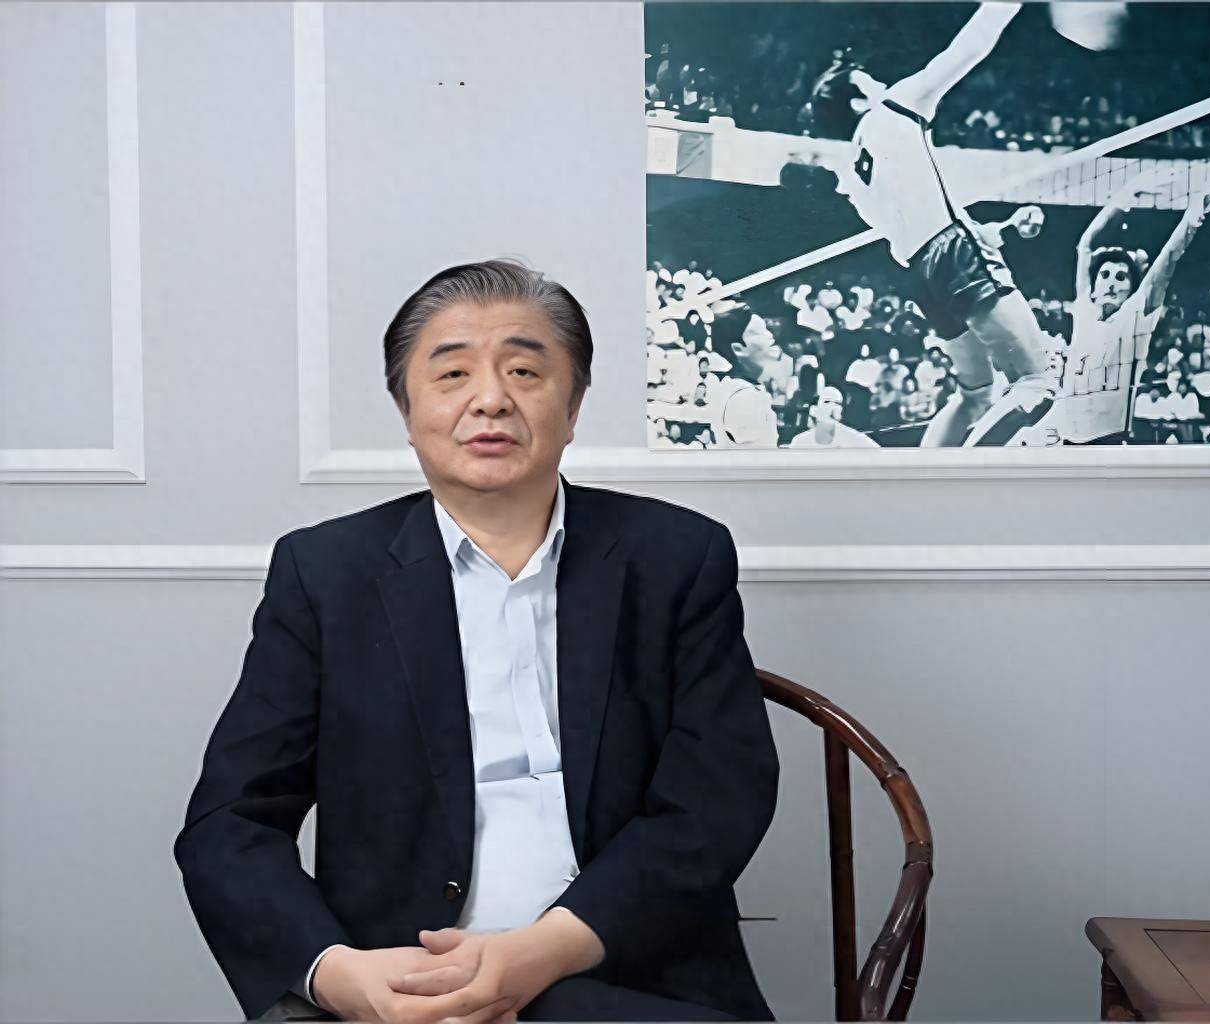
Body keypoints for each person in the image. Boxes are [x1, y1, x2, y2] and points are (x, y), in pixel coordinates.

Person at [174, 259, 779, 1024]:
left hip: (627, 973)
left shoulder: (676, 557)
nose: (490, 399)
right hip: (401, 982)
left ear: (574, 405)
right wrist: (339, 975)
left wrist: (543, 952)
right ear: (406, 410)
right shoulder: (325, 574)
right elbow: (230, 823)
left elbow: (717, 796)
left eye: (524, 371)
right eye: (452, 374)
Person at [808, 2, 1059, 447]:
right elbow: (968, 48)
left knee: (976, 395)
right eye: (866, 79)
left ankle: (923, 470)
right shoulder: (893, 107)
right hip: (953, 251)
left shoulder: (851, 174)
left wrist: (999, 229)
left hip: (920, 272)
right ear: (857, 99)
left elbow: (923, 228)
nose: (878, 80)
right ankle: (969, 469)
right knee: (1037, 383)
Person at [1052, 169, 1210, 445]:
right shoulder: (1084, 310)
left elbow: (1169, 258)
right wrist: (1126, 194)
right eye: (1105, 275)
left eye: (1121, 277)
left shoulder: (1134, 315)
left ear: (1131, 289)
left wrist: (1192, 216)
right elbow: (1085, 245)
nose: (1111, 282)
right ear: (1093, 286)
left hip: (1106, 439)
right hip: (1066, 436)